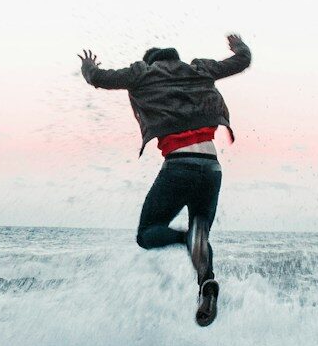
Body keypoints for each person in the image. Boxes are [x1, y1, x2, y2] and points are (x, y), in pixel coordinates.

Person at [78, 34, 252, 326]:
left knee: (147, 233)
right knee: (201, 235)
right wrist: (238, 46)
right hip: (212, 168)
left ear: (151, 62)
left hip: (180, 166)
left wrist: (88, 66)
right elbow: (241, 61)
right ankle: (206, 284)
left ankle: (186, 239)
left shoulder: (142, 74)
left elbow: (99, 78)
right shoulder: (198, 70)